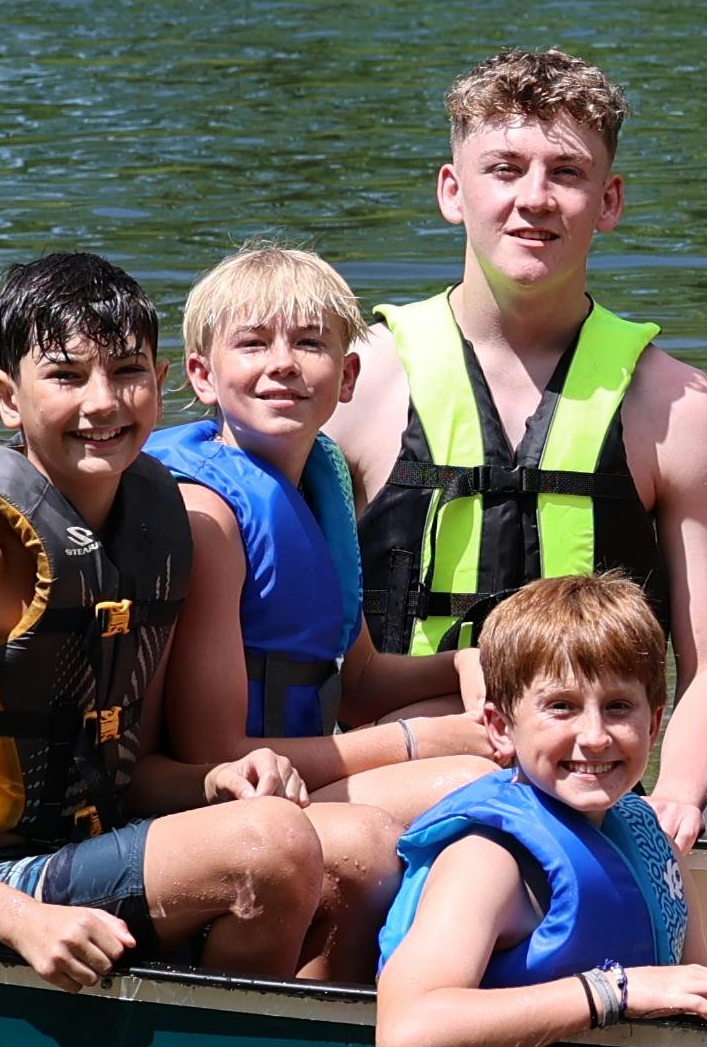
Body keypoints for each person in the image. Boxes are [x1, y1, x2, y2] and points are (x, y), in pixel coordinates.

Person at [0, 249, 328, 986]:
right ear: (7, 396)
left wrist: (215, 781)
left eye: (126, 371)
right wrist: (21, 919)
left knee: (364, 844)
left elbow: (139, 777)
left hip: (101, 851)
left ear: (161, 381)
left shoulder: (162, 529)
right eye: (65, 375)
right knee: (272, 846)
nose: (103, 404)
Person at [336, 50, 707, 852]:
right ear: (453, 192)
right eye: (504, 168)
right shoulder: (356, 382)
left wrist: (678, 798)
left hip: (588, 793)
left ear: (610, 201)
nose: (534, 198)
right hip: (397, 784)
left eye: (567, 172)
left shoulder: (675, 408)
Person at [151, 240, 508, 906]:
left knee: (504, 723)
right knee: (476, 776)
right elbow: (215, 752)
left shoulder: (324, 482)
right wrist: (431, 740)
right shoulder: (209, 517)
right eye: (253, 344)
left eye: (310, 344)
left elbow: (362, 682)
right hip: (230, 793)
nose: (282, 365)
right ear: (202, 375)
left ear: (346, 379)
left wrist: (466, 664)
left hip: (300, 762)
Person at [371, 573, 707, 1047]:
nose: (595, 736)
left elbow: (694, 986)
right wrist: (612, 992)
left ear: (654, 722)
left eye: (619, 707)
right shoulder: (488, 861)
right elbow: (404, 1042)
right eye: (562, 707)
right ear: (500, 728)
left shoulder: (649, 839)